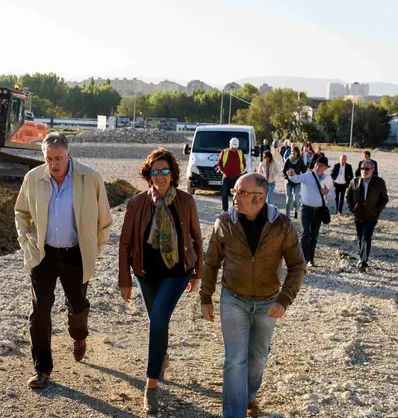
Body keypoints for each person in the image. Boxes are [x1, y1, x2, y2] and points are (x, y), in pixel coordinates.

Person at [200, 173, 306, 418]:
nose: (234, 196)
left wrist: (284, 299)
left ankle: (248, 396)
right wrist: (206, 297)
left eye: (241, 192)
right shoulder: (224, 222)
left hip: (268, 302)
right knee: (235, 360)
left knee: (257, 359)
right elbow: (211, 262)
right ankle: (234, 414)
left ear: (260, 198)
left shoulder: (282, 225)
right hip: (233, 299)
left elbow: (297, 266)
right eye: (235, 191)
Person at [14, 132, 113, 389]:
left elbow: (104, 220)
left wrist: (96, 249)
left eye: (58, 158)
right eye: (49, 158)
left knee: (77, 306)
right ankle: (41, 369)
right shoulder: (33, 178)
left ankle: (79, 337)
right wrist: (26, 241)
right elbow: (21, 213)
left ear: (69, 154)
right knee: (39, 311)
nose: (54, 163)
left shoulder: (89, 177)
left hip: (76, 254)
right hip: (43, 255)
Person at [118, 148, 203, 414]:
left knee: (158, 320)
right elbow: (124, 244)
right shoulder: (136, 203)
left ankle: (151, 385)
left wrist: (198, 274)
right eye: (155, 171)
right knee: (157, 322)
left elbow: (198, 239)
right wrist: (125, 280)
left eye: (165, 171)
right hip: (145, 274)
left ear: (173, 173)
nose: (160, 176)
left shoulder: (187, 202)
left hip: (177, 273)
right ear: (149, 174)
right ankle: (162, 357)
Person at [287, 156, 335, 267]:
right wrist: (291, 173)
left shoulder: (327, 179)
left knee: (314, 235)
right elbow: (296, 178)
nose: (317, 167)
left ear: (325, 168)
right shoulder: (308, 176)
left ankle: (311, 259)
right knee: (305, 233)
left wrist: (327, 192)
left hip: (318, 211)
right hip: (305, 209)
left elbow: (333, 195)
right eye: (316, 164)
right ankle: (303, 258)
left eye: (321, 165)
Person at [346, 160, 389, 272]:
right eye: (362, 168)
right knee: (360, 237)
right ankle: (361, 257)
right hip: (358, 215)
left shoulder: (379, 182)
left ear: (372, 170)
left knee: (367, 237)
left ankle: (363, 260)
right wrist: (353, 209)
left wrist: (377, 210)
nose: (364, 171)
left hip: (371, 216)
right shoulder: (354, 181)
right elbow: (348, 197)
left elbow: (384, 199)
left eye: (367, 169)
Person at [216, 137, 247, 211]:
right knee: (224, 195)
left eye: (235, 147)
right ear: (229, 144)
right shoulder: (224, 152)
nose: (234, 149)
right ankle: (225, 210)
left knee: (236, 196)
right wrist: (223, 171)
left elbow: (244, 164)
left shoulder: (240, 153)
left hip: (236, 178)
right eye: (233, 147)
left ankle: (234, 210)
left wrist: (239, 172)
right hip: (226, 177)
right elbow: (219, 163)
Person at [282, 146, 305, 219]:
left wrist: (302, 178)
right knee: (288, 198)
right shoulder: (288, 160)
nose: (293, 153)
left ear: (297, 153)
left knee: (296, 197)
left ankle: (296, 211)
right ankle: (287, 215)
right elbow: (283, 171)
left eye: (295, 151)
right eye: (292, 151)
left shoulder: (300, 161)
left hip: (297, 182)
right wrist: (287, 173)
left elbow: (304, 171)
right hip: (288, 182)